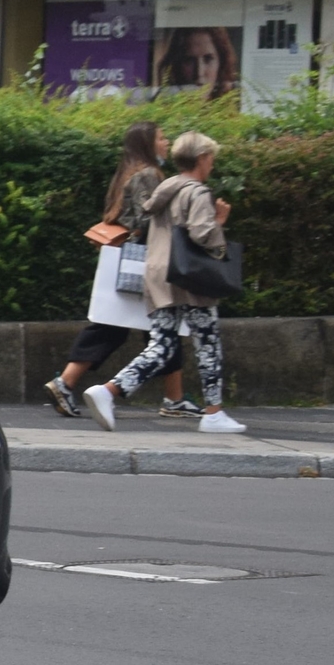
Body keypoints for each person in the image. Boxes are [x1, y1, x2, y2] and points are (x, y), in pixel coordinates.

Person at [85, 132, 244, 434]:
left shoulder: (165, 190)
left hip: (159, 274)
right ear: (201, 159)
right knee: (208, 342)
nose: (212, 163)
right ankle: (213, 413)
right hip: (191, 279)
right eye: (210, 158)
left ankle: (108, 390)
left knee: (162, 346)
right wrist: (219, 225)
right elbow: (201, 233)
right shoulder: (196, 192)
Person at [44, 121, 195, 419]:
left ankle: (173, 398)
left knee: (130, 328)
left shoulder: (126, 173)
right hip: (145, 261)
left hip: (129, 258)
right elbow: (146, 219)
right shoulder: (148, 174)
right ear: (147, 144)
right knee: (155, 327)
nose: (167, 143)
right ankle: (66, 382)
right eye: (162, 138)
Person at [154, 26, 238, 98]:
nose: (199, 72)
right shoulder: (158, 111)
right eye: (189, 61)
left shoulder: (234, 109)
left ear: (221, 63)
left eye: (208, 59)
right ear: (176, 66)